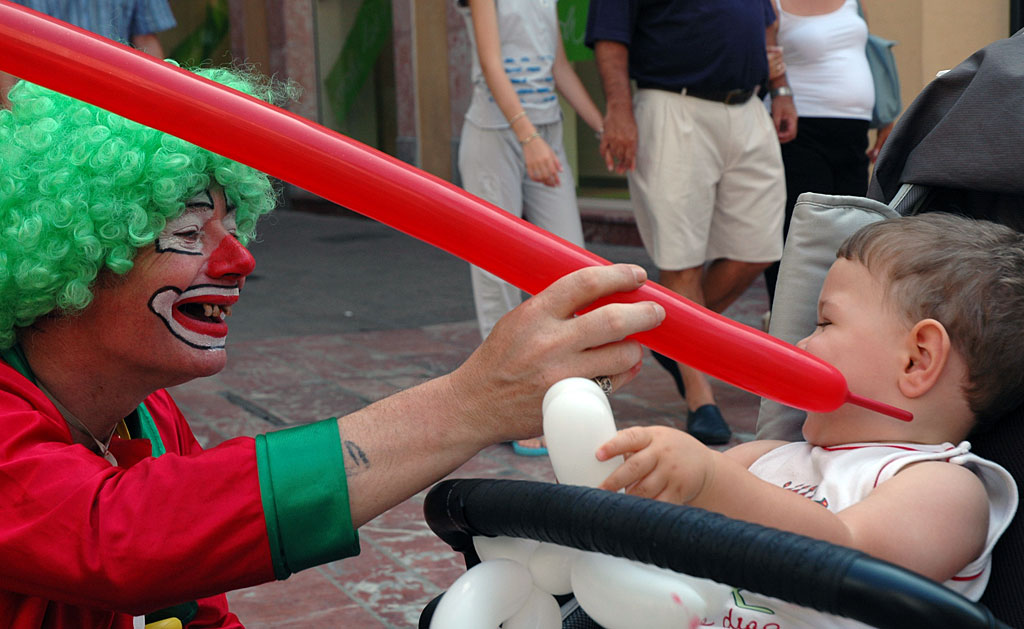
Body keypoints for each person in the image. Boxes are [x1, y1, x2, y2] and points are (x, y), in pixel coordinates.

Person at [0, 70, 666, 627]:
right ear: (71, 260)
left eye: (232, 223)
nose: (240, 259)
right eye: (187, 231)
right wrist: (474, 401)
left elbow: (193, 608)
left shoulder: (148, 417)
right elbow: (124, 538)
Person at [595, 213, 1020, 627]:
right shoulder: (763, 457)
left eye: (825, 322)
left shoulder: (944, 487)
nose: (801, 343)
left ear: (917, 360)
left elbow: (845, 556)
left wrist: (709, 481)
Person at [585, 0, 796, 446]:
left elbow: (766, 25)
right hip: (671, 106)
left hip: (747, 108)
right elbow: (610, 38)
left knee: (759, 248)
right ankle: (700, 397)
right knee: (681, 259)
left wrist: (781, 90)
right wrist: (618, 111)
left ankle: (672, 338)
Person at [457, 0, 606, 455]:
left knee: (573, 268)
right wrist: (528, 139)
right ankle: (506, 406)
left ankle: (569, 394)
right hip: (496, 133)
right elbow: (491, 63)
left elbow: (558, 66)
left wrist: (601, 126)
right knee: (495, 273)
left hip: (545, 130)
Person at [761, 0, 896, 305]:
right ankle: (788, 324)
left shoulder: (851, 2)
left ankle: (834, 321)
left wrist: (886, 116)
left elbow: (869, 54)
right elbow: (765, 55)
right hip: (799, 130)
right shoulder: (773, 5)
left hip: (853, 134)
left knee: (852, 231)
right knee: (804, 237)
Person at [0, 0, 176, 108]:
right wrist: (13, 111)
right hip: (42, 107)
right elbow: (4, 43)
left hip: (114, 106)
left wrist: (157, 103)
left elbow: (145, 41)